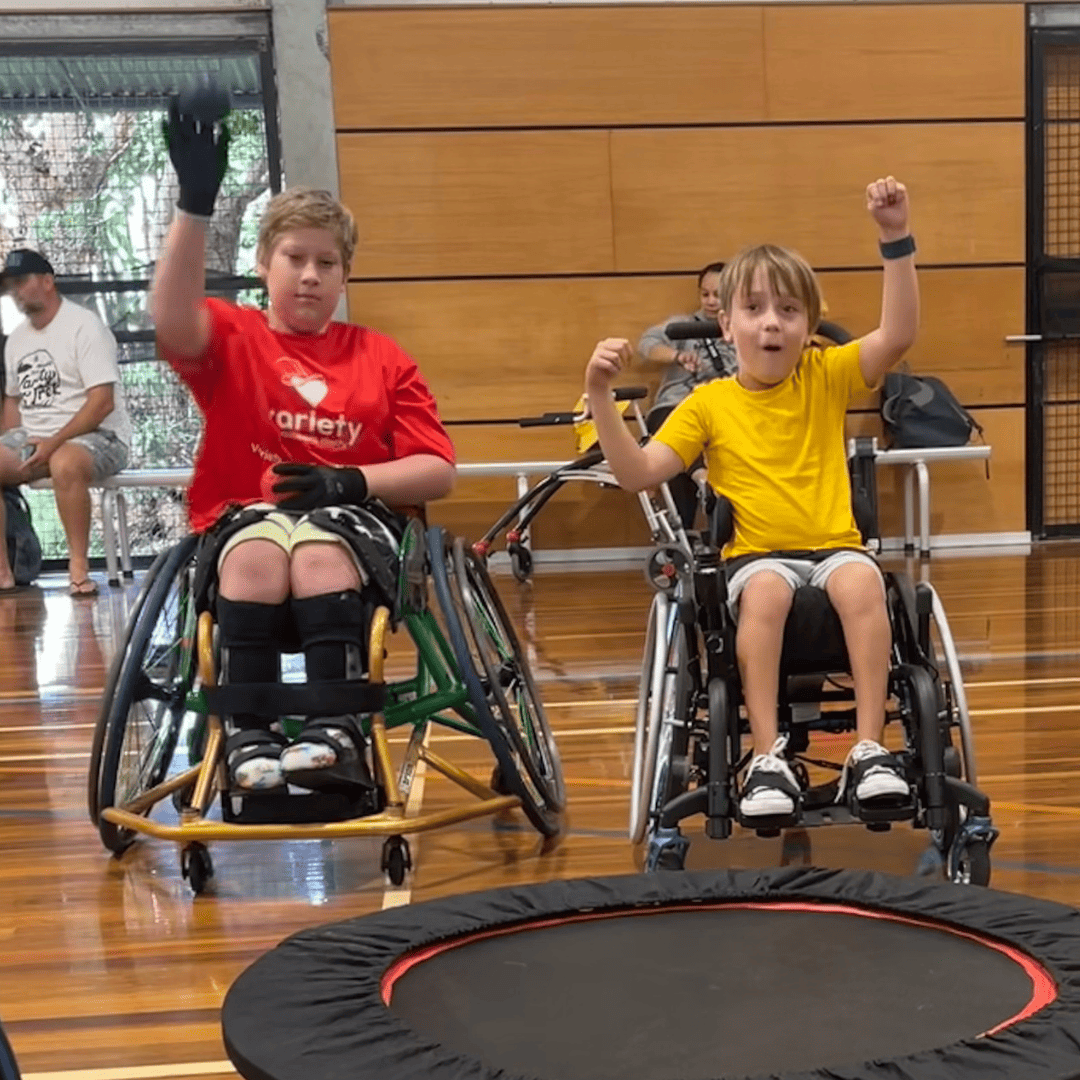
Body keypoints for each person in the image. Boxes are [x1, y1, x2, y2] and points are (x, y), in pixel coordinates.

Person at [583, 176, 919, 820]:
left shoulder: (825, 374)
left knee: (862, 584)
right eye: (756, 310)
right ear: (725, 323)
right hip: (756, 558)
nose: (772, 323)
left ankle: (871, 748)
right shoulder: (706, 403)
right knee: (766, 592)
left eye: (789, 311)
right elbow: (636, 472)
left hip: (833, 548)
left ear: (809, 327)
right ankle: (767, 756)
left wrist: (894, 237)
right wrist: (601, 396)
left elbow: (897, 334)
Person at [151, 89, 455, 796]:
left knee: (317, 550)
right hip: (244, 522)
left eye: (327, 263)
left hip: (347, 525)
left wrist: (354, 481)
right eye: (295, 258)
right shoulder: (235, 335)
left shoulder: (381, 356)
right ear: (265, 263)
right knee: (258, 552)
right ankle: (249, 734)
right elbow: (170, 320)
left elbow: (437, 469)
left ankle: (334, 728)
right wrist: (194, 205)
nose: (311, 274)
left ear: (345, 275)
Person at [0, 249, 132, 597]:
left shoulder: (84, 326)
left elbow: (101, 403)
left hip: (99, 437)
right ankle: (3, 573)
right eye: (10, 286)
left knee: (65, 461)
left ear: (47, 281)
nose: (15, 291)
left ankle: (78, 569)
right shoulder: (17, 340)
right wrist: (11, 442)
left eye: (22, 282)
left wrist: (54, 441)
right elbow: (13, 400)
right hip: (36, 439)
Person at [637, 262, 736, 529]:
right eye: (705, 294)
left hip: (725, 412)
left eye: (718, 294)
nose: (711, 301)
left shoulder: (743, 331)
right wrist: (677, 356)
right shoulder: (683, 325)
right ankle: (700, 476)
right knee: (674, 444)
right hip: (675, 406)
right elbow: (647, 343)